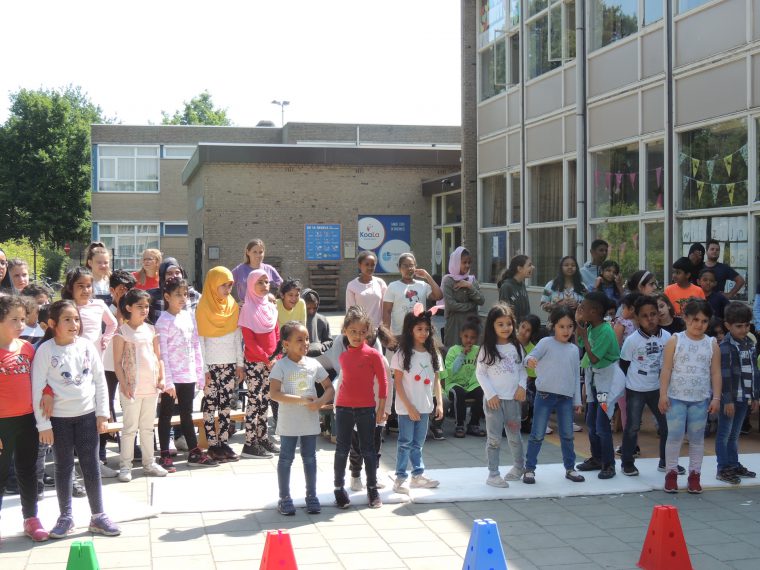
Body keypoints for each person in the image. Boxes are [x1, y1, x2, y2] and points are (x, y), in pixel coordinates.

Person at [31, 300, 120, 538]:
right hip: (59, 420)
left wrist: (102, 413)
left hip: (87, 417)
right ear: (53, 324)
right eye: (67, 319)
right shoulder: (45, 351)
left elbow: (100, 381)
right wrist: (43, 425)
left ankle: (98, 516)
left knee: (91, 465)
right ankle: (66, 517)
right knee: (63, 467)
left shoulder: (87, 346)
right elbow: (37, 389)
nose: (74, 324)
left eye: (77, 319)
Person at [269, 321, 334, 515]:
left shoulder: (313, 364)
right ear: (286, 344)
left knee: (310, 458)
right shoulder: (281, 366)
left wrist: (320, 402)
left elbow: (329, 388)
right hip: (289, 421)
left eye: (307, 339)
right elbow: (274, 393)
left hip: (309, 421)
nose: (305, 343)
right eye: (299, 339)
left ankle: (311, 496)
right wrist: (301, 400)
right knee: (286, 458)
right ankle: (284, 498)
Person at [659, 299, 721, 494]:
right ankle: (671, 473)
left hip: (700, 399)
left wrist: (716, 398)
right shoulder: (675, 340)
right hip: (675, 397)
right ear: (685, 318)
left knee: (697, 438)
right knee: (674, 436)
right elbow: (666, 369)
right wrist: (663, 394)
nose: (699, 325)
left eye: (704, 321)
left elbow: (715, 373)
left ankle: (695, 475)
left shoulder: (712, 344)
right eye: (695, 319)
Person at [0, 296, 49, 541]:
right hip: (2, 424)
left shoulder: (27, 348)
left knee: (28, 470)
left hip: (27, 420)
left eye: (23, 318)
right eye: (14, 320)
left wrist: (48, 394)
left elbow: (41, 379)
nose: (21, 324)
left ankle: (31, 518)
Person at [156, 277, 216, 470]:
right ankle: (164, 453)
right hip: (172, 378)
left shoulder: (189, 316)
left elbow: (195, 345)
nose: (183, 298)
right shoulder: (163, 321)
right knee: (165, 415)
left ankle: (194, 451)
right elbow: (162, 354)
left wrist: (199, 372)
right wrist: (167, 381)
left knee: (186, 414)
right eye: (178, 295)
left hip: (188, 375)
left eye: (185, 294)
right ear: (167, 297)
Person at [333, 306, 388, 509]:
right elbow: (342, 383)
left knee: (369, 450)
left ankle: (372, 489)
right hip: (343, 408)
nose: (357, 336)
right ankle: (339, 488)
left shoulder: (373, 355)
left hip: (367, 409)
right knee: (342, 449)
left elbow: (383, 382)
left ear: (368, 332)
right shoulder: (343, 356)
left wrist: (381, 408)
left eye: (362, 332)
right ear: (345, 331)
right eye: (353, 331)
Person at [523, 306, 585, 484]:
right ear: (553, 326)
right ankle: (529, 469)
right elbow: (529, 357)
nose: (566, 330)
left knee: (567, 435)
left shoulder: (574, 349)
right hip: (544, 395)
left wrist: (577, 400)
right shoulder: (545, 343)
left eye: (570, 326)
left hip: (565, 398)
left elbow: (575, 376)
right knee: (537, 434)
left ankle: (570, 468)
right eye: (561, 326)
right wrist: (530, 361)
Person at [112, 289, 167, 481]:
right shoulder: (122, 332)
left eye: (146, 306)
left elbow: (158, 356)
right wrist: (124, 384)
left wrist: (161, 378)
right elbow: (117, 363)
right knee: (130, 428)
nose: (144, 310)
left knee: (147, 428)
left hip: (151, 387)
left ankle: (149, 463)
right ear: (128, 308)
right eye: (140, 306)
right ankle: (125, 466)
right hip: (132, 389)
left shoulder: (151, 329)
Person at [391, 304, 443, 495]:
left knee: (418, 444)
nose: (423, 333)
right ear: (410, 330)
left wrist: (439, 403)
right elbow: (398, 383)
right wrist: (409, 407)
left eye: (426, 329)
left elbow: (437, 380)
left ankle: (417, 476)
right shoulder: (402, 354)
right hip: (407, 409)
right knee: (405, 442)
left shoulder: (433, 353)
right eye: (419, 329)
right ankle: (400, 478)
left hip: (425, 407)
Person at [619, 296, 672, 476]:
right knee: (633, 426)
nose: (650, 319)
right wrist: (626, 387)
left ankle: (666, 462)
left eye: (653, 314)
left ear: (658, 315)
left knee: (666, 426)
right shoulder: (632, 340)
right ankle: (627, 463)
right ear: (637, 318)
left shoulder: (667, 337)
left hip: (659, 390)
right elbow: (624, 364)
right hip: (636, 389)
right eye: (644, 316)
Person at [196, 266, 244, 464]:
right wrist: (204, 369)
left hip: (229, 364)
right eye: (223, 285)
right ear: (212, 284)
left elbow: (237, 337)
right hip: (211, 366)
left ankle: (223, 443)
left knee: (225, 406)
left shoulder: (232, 305)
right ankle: (212, 445)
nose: (227, 289)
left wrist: (240, 363)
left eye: (230, 285)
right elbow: (200, 341)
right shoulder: (203, 307)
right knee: (210, 405)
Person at [476, 303, 527, 488]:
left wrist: (522, 386)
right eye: (500, 324)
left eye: (509, 324)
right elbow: (480, 373)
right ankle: (493, 474)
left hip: (513, 401)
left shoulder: (516, 347)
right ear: (492, 326)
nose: (506, 328)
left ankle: (519, 467)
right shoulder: (486, 349)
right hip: (494, 403)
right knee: (494, 439)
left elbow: (522, 370)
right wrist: (490, 394)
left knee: (514, 435)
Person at [575, 292, 621, 480]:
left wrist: (584, 336)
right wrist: (580, 328)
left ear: (594, 311)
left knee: (602, 425)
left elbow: (594, 357)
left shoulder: (605, 331)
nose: (580, 310)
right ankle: (596, 458)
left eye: (583, 308)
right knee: (591, 423)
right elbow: (580, 344)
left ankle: (609, 464)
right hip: (595, 383)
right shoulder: (592, 327)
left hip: (605, 385)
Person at [238, 270, 281, 459]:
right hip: (256, 362)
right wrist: (267, 358)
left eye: (266, 282)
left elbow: (277, 334)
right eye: (260, 282)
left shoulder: (270, 307)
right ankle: (249, 444)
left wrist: (277, 357)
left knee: (265, 402)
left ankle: (262, 438)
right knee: (254, 402)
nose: (265, 286)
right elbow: (250, 342)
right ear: (251, 285)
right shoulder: (247, 309)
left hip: (271, 362)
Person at [715, 302, 759, 484]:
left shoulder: (750, 343)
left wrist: (755, 396)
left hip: (744, 397)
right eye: (739, 326)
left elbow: (755, 371)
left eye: (747, 325)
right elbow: (724, 375)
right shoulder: (726, 346)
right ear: (728, 325)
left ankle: (733, 464)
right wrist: (727, 400)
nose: (744, 329)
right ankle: (723, 468)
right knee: (724, 434)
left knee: (735, 434)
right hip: (730, 399)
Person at [61, 267, 118, 358]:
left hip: (95, 354)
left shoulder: (99, 305)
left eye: (88, 286)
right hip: (72, 354)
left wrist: (106, 339)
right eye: (80, 286)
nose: (85, 290)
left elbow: (112, 323)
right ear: (70, 287)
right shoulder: (66, 308)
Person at [382, 252, 443, 336]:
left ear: (415, 267)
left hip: (419, 334)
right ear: (399, 267)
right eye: (405, 266)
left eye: (411, 265)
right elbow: (387, 311)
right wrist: (387, 334)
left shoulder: (422, 285)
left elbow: (438, 296)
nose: (409, 268)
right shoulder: (392, 286)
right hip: (399, 334)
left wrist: (427, 276)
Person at [444, 316, 485, 438]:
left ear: (476, 338)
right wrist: (462, 355)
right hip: (454, 383)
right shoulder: (453, 350)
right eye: (466, 336)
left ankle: (473, 424)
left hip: (471, 384)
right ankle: (459, 425)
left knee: (482, 392)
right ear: (461, 335)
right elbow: (452, 371)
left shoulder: (478, 351)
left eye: (472, 337)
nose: (469, 340)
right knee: (459, 393)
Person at [441, 246, 485, 348]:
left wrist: (469, 286)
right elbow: (451, 305)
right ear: (456, 263)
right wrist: (471, 305)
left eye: (469, 262)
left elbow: (481, 300)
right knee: (454, 353)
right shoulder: (448, 281)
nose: (467, 265)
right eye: (464, 262)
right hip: (454, 325)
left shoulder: (471, 280)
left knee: (473, 354)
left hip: (472, 324)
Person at [231, 239, 283, 303]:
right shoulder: (240, 269)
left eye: (260, 252)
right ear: (248, 252)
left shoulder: (269, 269)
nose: (258, 255)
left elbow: (283, 287)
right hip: (246, 307)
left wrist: (273, 297)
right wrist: (234, 304)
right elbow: (225, 285)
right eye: (254, 252)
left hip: (264, 307)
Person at [345, 250, 387, 329]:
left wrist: (384, 327)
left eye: (372, 265)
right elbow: (350, 310)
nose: (370, 268)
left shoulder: (380, 283)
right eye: (367, 264)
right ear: (359, 265)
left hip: (378, 329)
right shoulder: (352, 285)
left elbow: (385, 308)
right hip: (360, 330)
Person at [497, 255, 535, 325]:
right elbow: (504, 313)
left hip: (523, 328)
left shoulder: (522, 284)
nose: (533, 267)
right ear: (519, 269)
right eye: (529, 265)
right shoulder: (506, 286)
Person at [302, 288, 333, 357]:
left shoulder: (322, 320)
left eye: (315, 308)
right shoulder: (296, 320)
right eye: (308, 308)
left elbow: (329, 341)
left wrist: (321, 347)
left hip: (319, 357)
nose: (311, 311)